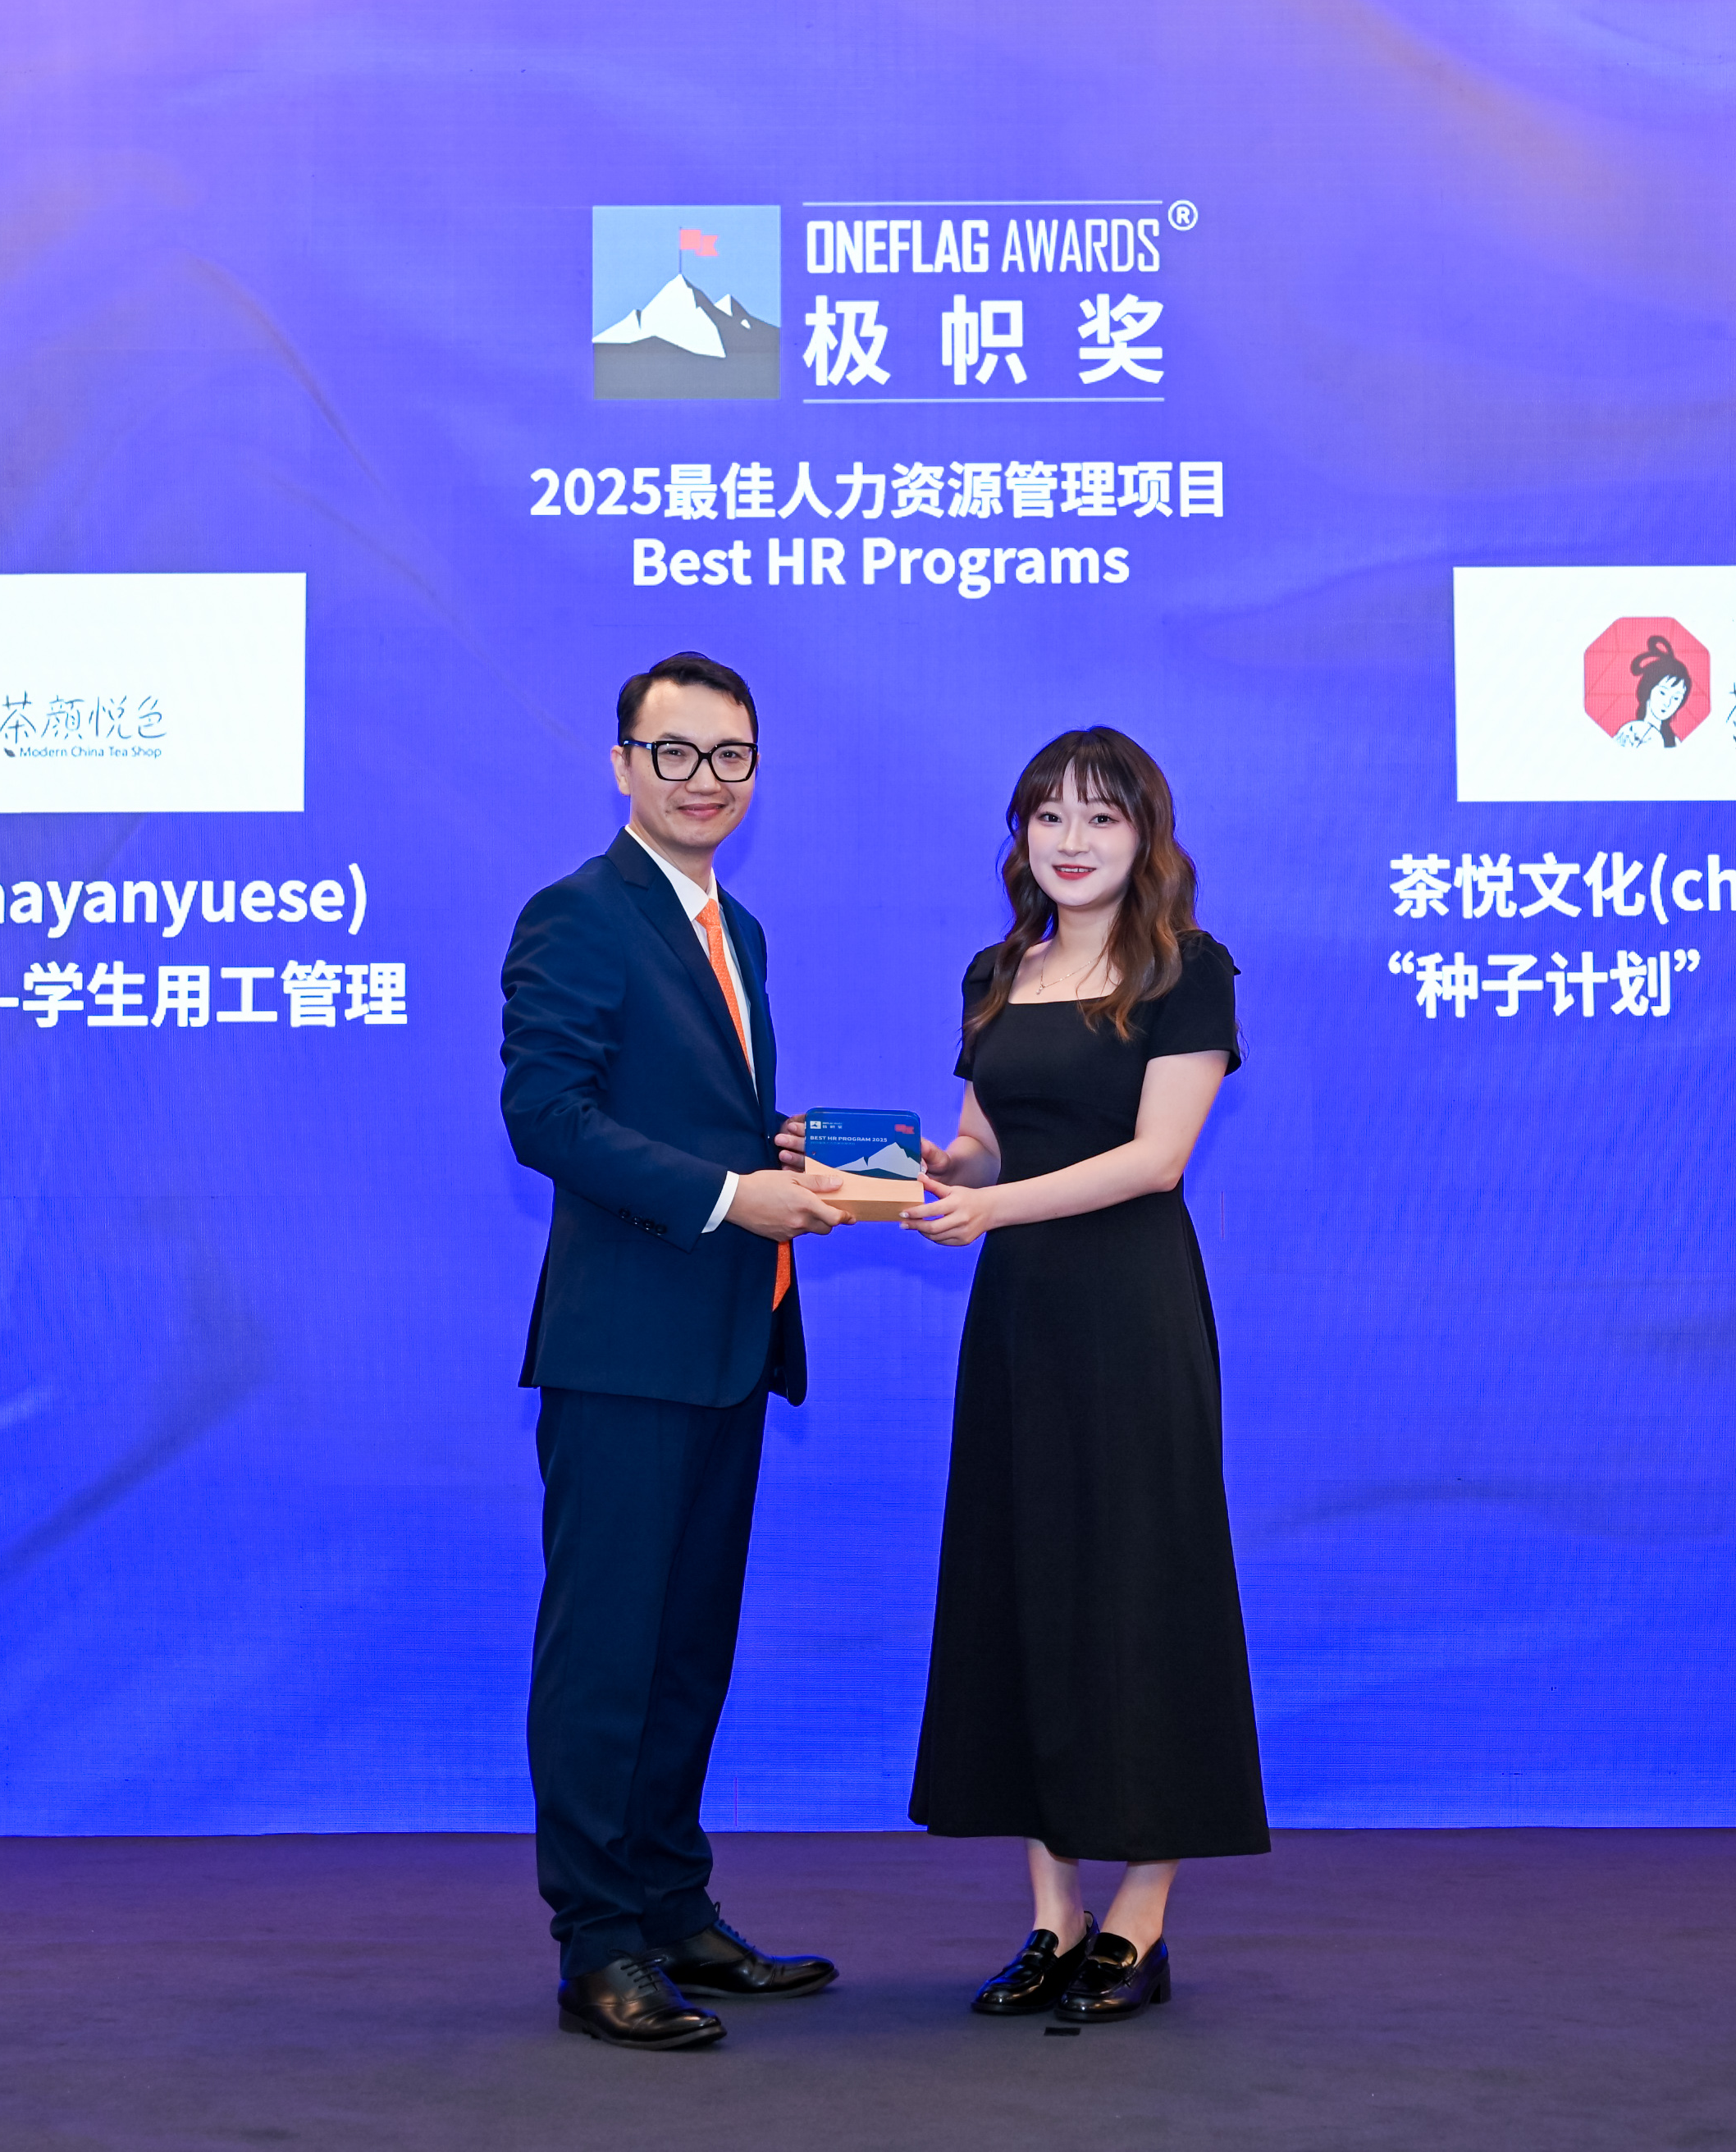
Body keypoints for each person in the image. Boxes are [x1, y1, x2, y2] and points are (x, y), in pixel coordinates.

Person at [499, 651, 847, 2050]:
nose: (707, 780)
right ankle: (598, 1946)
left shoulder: (734, 928)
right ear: (623, 764)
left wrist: (774, 1154)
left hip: (727, 1341)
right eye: (677, 752)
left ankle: (670, 1906)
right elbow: (547, 1117)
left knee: (688, 1649)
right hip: (624, 1349)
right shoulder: (577, 915)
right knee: (606, 1654)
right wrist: (725, 1195)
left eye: (731, 756)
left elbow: (688, 1109)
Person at [898, 724, 1268, 2024]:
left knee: (1142, 1589)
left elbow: (1156, 1159)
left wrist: (990, 1209)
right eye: (1047, 815)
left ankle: (1139, 1919)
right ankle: (1052, 1918)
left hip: (1131, 1313)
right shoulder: (998, 971)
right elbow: (987, 1145)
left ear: (1144, 836)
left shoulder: (1187, 970)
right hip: (1018, 1322)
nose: (1070, 840)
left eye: (1100, 817)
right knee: (1026, 1585)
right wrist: (928, 1171)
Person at [1615, 633, 1693, 748]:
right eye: (1662, 693)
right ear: (1648, 689)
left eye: (1676, 698)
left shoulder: (1675, 743)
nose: (1667, 703)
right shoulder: (1628, 732)